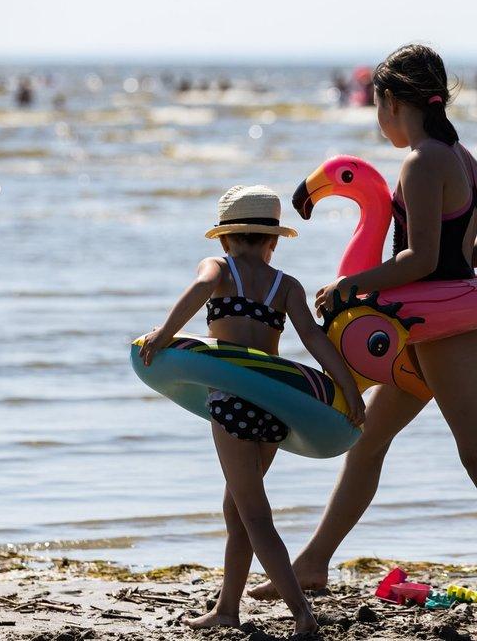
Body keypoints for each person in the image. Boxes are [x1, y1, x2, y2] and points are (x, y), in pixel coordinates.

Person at [250, 44, 477, 639]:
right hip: (440, 326)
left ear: (393, 101)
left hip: (443, 335)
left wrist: (351, 287)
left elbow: (417, 257)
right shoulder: (461, 157)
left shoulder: (421, 163)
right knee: (368, 440)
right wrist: (457, 275)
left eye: (378, 107)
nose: (378, 119)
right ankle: (313, 563)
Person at [138, 185, 365, 636]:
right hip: (275, 407)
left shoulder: (218, 268)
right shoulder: (287, 286)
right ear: (273, 241)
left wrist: (164, 334)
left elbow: (199, 289)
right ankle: (227, 607)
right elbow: (315, 339)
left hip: (233, 402)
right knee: (238, 509)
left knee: (255, 515)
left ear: (225, 238)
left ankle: (302, 613)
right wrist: (349, 390)